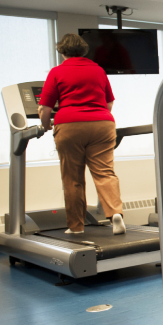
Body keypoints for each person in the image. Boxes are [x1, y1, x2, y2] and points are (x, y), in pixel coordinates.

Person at [38, 33, 125, 235]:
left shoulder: (57, 72)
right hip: (102, 123)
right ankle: (115, 214)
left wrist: (45, 126)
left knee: (73, 178)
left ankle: (76, 227)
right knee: (105, 172)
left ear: (62, 51)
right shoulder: (98, 70)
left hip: (69, 125)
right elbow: (109, 103)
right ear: (83, 50)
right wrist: (97, 117)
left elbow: (45, 108)